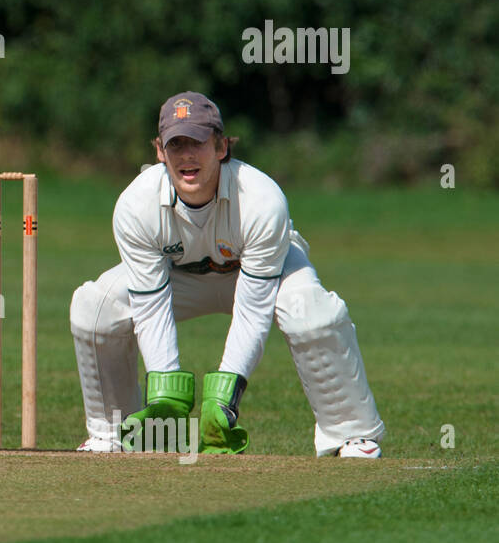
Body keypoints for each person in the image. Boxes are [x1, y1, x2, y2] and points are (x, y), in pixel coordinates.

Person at [71, 92, 385, 457]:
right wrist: (166, 393)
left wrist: (226, 395)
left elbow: (253, 311)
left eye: (198, 142)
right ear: (159, 151)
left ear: (221, 146)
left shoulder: (262, 200)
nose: (187, 155)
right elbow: (150, 305)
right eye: (177, 144)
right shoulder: (135, 206)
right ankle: (114, 433)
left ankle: (352, 433)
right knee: (94, 308)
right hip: (181, 279)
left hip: (265, 273)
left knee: (310, 312)